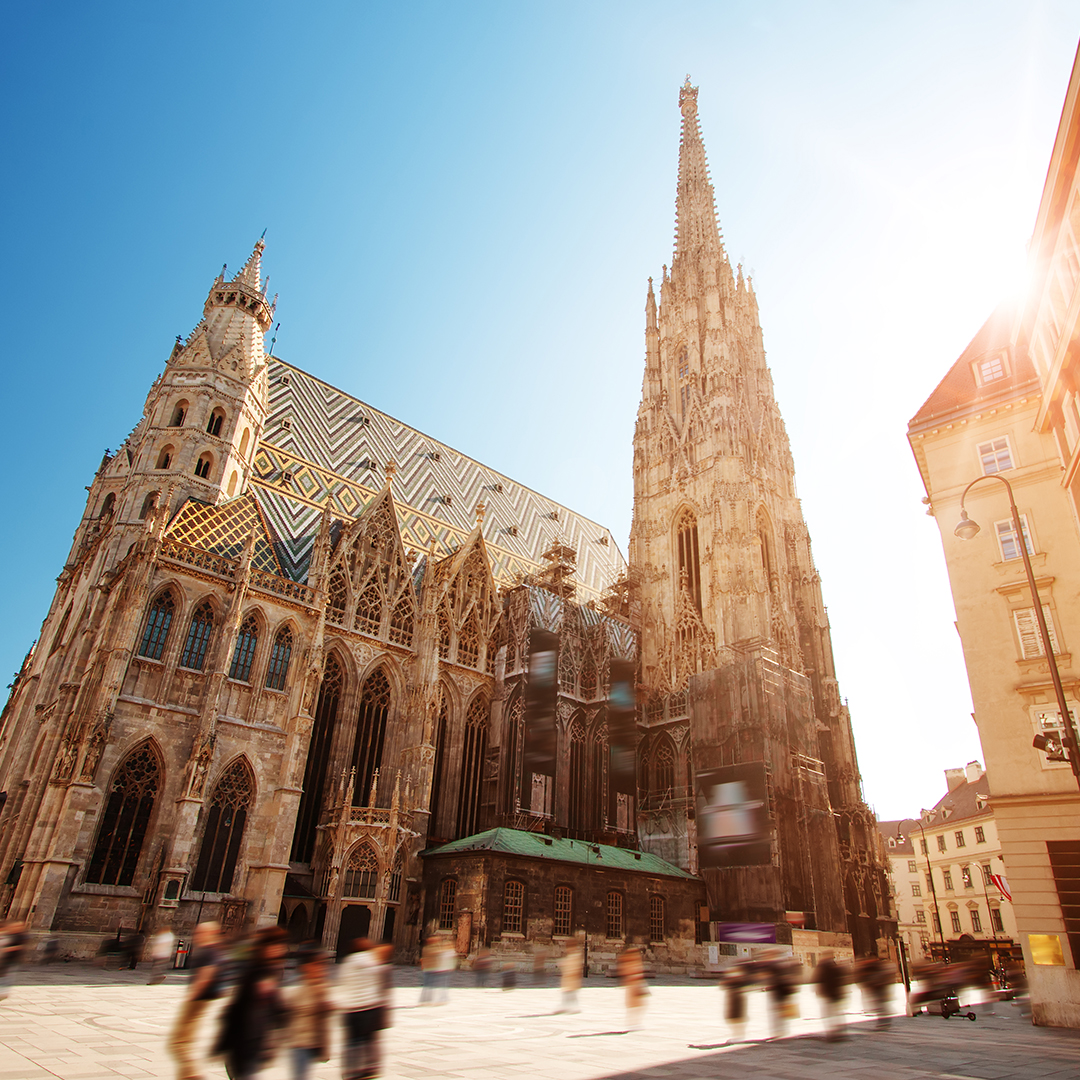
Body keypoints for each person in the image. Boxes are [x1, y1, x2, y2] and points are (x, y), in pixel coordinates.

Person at [214, 926, 290, 1080]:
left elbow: (274, 1004)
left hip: (256, 1042)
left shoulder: (272, 971)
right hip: (244, 1042)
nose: (281, 949)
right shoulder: (254, 971)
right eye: (276, 944)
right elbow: (238, 1007)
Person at [168, 920, 225, 1080]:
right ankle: (189, 1075)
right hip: (200, 1001)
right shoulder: (212, 950)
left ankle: (193, 1075)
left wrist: (192, 996)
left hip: (196, 1001)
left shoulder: (209, 952)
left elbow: (206, 975)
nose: (197, 936)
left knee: (178, 1042)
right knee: (181, 1042)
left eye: (200, 933)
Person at [336, 938, 390, 1080]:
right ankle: (370, 1067)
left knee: (352, 1042)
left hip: (351, 1008)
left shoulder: (348, 962)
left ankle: (351, 1070)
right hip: (369, 1007)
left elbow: (342, 981)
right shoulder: (372, 960)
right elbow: (382, 980)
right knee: (369, 1040)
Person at [285, 946, 333, 1080]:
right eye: (317, 964)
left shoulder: (321, 987)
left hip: (311, 1041)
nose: (321, 968)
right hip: (299, 1041)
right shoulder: (300, 986)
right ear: (306, 967)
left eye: (322, 965)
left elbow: (324, 1020)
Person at [812, 951, 847, 1041]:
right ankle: (837, 1032)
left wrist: (818, 991)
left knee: (829, 1014)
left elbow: (817, 979)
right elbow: (841, 980)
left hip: (828, 995)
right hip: (834, 994)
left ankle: (832, 1033)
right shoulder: (834, 966)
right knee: (835, 1014)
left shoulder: (822, 966)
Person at [616, 946, 647, 1031]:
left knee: (636, 1005)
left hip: (634, 986)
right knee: (636, 1005)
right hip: (633, 986)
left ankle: (633, 1022)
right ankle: (633, 1023)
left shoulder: (633, 962)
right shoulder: (631, 963)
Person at [720, 962, 751, 1043]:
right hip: (734, 1002)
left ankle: (739, 1037)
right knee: (733, 1019)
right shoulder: (735, 980)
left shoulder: (739, 980)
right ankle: (738, 1036)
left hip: (737, 1003)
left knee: (736, 1019)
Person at [0, 920, 27, 1002]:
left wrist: (7, 949)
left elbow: (20, 947)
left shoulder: (21, 936)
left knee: (6, 976)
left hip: (11, 960)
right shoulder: (10, 935)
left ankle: (3, 993)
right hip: (5, 960)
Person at [557, 941, 582, 1014]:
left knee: (570, 994)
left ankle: (573, 1008)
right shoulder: (572, 955)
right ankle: (568, 1007)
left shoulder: (575, 955)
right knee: (569, 994)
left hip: (572, 979)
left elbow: (574, 966)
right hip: (569, 980)